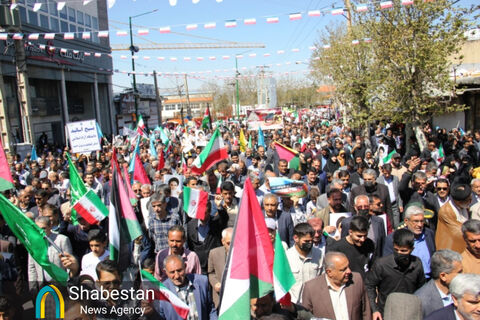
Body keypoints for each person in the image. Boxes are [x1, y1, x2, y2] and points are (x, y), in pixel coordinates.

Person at [365, 229, 425, 319]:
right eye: (396, 250)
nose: (399, 254)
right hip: (386, 313)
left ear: (412, 249)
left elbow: (422, 289)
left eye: (403, 251)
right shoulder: (382, 264)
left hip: (410, 313)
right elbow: (369, 286)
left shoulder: (417, 264)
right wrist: (375, 310)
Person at [302, 251, 372, 320]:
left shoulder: (356, 280)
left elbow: (366, 311)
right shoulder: (311, 288)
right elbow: (306, 316)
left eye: (348, 267)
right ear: (329, 272)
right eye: (343, 269)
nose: (349, 271)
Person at [157, 254, 217, 320]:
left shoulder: (202, 282)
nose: (177, 276)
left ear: (185, 266)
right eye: (172, 272)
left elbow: (210, 309)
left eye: (179, 270)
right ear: (165, 272)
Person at [383, 205, 436, 277]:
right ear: (406, 221)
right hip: (407, 279)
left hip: (428, 278)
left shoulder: (429, 234)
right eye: (416, 221)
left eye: (422, 221)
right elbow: (387, 264)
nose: (420, 225)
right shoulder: (393, 238)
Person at [28, 216, 73, 297]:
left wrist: (69, 286)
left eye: (43, 228)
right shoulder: (33, 244)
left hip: (60, 284)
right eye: (37, 229)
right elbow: (32, 268)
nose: (40, 231)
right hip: (43, 285)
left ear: (50, 226)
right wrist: (33, 288)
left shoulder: (62, 240)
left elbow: (69, 265)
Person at [414, 250, 463, 318]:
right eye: (459, 272)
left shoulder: (462, 292)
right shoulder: (422, 301)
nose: (463, 276)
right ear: (443, 276)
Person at [285, 223, 323, 303]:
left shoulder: (319, 254)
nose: (309, 243)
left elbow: (322, 279)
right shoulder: (287, 257)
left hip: (314, 303)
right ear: (296, 238)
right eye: (306, 241)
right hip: (294, 304)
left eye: (311, 241)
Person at [436, 183, 472, 253]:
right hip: (450, 249)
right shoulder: (446, 211)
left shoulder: (464, 207)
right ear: (459, 202)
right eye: (468, 200)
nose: (470, 202)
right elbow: (458, 231)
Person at [207, 228, 232, 308]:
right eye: (229, 243)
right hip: (219, 298)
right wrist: (215, 283)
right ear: (223, 241)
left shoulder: (243, 255)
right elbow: (211, 273)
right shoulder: (214, 253)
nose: (231, 246)